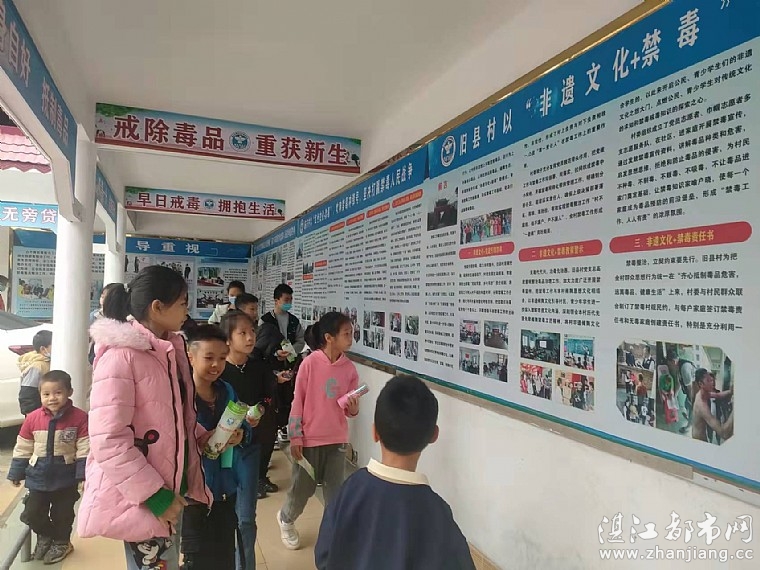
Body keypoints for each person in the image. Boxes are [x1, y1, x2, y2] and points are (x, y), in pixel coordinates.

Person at [78, 266, 212, 570]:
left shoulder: (166, 349)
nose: (187, 311)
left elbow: (169, 415)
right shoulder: (120, 357)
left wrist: (201, 435)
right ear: (157, 307)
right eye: (182, 303)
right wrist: (154, 496)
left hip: (169, 487)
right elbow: (108, 440)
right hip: (144, 496)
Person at [315, 375, 475, 570]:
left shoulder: (350, 489)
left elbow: (324, 554)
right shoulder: (437, 513)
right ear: (434, 435)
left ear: (375, 432)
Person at [277, 312, 360, 551]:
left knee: (335, 492)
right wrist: (295, 436)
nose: (351, 338)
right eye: (346, 334)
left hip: (336, 439)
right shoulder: (310, 364)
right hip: (309, 439)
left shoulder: (349, 369)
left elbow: (350, 410)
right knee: (302, 489)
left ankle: (333, 534)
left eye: (351, 333)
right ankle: (286, 518)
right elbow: (297, 401)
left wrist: (353, 408)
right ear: (329, 337)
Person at [183, 325, 252, 569]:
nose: (216, 365)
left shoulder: (226, 390)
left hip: (225, 489)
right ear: (190, 357)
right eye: (209, 358)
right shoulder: (181, 396)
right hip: (192, 496)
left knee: (224, 556)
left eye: (222, 358)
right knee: (196, 560)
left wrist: (242, 434)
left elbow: (242, 423)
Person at [8, 370, 89, 565]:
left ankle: (61, 543)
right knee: (32, 512)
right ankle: (47, 536)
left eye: (58, 393)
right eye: (46, 394)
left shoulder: (79, 418)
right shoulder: (32, 418)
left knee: (63, 514)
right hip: (38, 476)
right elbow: (23, 446)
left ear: (69, 392)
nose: (52, 398)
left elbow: (84, 448)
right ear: (40, 395)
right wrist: (16, 472)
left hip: (66, 478)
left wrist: (84, 476)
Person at [217, 311, 266, 570]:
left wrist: (260, 411)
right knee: (218, 515)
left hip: (248, 448)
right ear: (227, 338)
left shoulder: (258, 366)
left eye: (252, 331)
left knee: (246, 518)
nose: (250, 337)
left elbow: (268, 396)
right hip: (217, 452)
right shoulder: (217, 371)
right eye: (242, 333)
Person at [257, 284, 306, 443]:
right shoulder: (265, 320)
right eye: (286, 299)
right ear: (276, 300)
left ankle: (284, 427)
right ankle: (272, 428)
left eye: (291, 299)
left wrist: (292, 351)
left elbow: (301, 340)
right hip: (271, 364)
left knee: (288, 395)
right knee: (273, 395)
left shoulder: (293, 320)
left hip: (290, 362)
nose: (289, 303)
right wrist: (275, 353)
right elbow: (260, 343)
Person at [691, 368, 734, 443]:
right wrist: (737, 407)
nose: (712, 382)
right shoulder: (701, 405)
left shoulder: (704, 393)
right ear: (701, 384)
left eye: (711, 379)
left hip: (701, 437)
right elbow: (724, 434)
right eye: (708, 380)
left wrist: (731, 391)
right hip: (699, 442)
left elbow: (718, 395)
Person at [18, 330, 53, 415]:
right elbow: (27, 394)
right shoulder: (37, 367)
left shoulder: (49, 362)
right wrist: (31, 415)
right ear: (43, 349)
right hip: (39, 414)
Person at [666, 349, 697, 434]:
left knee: (691, 407)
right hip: (691, 390)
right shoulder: (678, 367)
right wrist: (674, 396)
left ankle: (688, 427)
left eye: (669, 365)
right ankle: (690, 417)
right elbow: (679, 383)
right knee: (687, 405)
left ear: (673, 362)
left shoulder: (684, 368)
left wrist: (692, 401)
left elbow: (690, 388)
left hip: (696, 390)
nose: (670, 368)